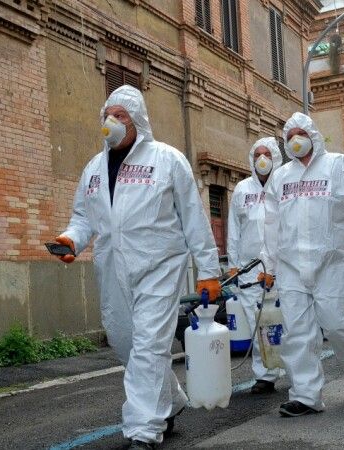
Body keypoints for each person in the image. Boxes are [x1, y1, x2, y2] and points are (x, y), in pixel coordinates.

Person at [54, 85, 221, 449]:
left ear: (138, 120)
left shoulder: (168, 160)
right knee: (126, 342)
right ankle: (171, 401)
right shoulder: (94, 169)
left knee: (148, 345)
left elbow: (194, 218)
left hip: (159, 267)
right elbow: (83, 218)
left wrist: (209, 270)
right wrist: (71, 240)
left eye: (120, 115)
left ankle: (143, 431)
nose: (111, 122)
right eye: (107, 115)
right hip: (112, 268)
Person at [259, 112, 344, 417]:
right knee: (297, 332)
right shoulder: (280, 177)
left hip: (334, 264)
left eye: (300, 133)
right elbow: (270, 224)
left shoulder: (340, 166)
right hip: (292, 267)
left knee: (339, 324)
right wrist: (269, 265)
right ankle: (305, 396)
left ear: (313, 136)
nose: (295, 139)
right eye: (289, 135)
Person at [226, 137, 285, 394]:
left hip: (281, 268)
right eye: (258, 154)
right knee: (257, 323)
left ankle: (296, 370)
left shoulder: (283, 185)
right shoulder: (242, 189)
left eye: (267, 154)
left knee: (287, 323)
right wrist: (233, 265)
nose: (262, 159)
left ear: (275, 158)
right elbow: (234, 230)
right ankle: (265, 376)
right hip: (250, 271)